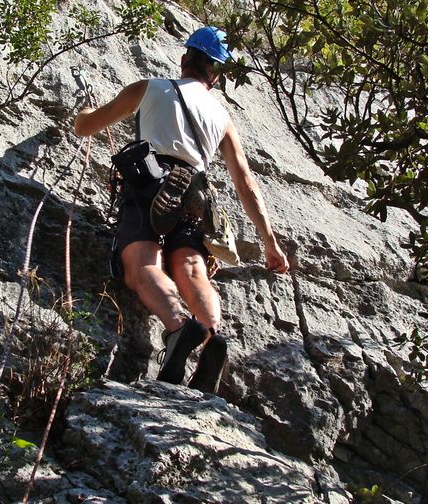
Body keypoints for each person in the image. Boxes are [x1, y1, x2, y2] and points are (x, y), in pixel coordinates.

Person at [74, 26, 289, 393]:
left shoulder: (150, 87)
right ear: (216, 75)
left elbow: (85, 127)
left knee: (141, 266)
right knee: (191, 270)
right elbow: (246, 183)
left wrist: (85, 110)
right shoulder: (222, 118)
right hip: (195, 197)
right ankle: (210, 336)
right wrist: (270, 242)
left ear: (185, 57)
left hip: (149, 187)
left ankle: (178, 328)